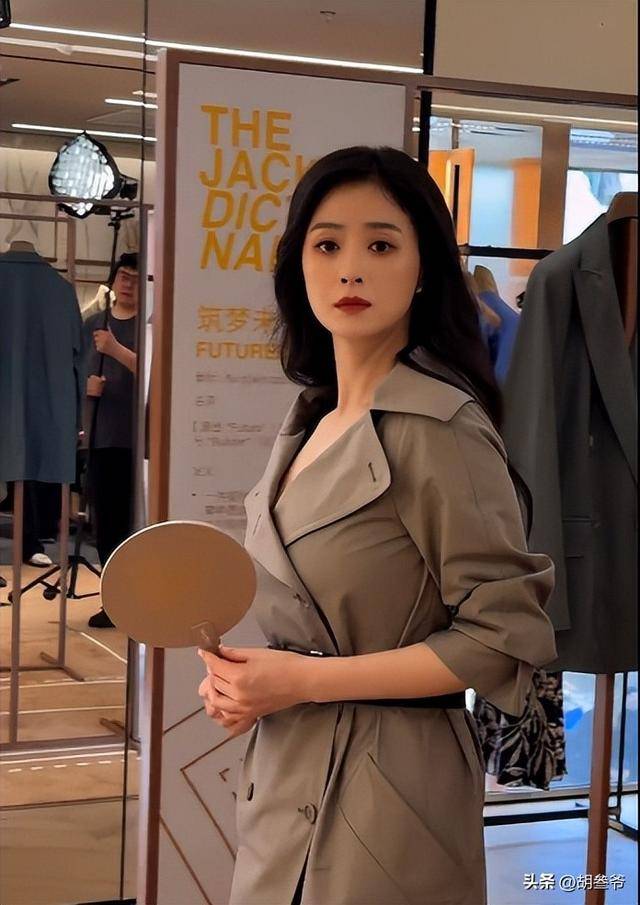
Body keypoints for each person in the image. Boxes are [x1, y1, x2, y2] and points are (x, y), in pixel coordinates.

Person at [196, 146, 558, 905]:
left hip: (389, 795)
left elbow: (503, 635)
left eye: (382, 245)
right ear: (298, 265)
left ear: (423, 268)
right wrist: (248, 684)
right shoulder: (310, 420)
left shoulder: (440, 426)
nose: (351, 270)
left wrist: (301, 680)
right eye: (327, 245)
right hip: (285, 780)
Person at [83, 252, 138, 628]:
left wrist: (115, 350)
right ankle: (114, 602)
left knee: (137, 524)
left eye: (135, 278)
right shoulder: (94, 323)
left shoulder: (151, 323)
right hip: (103, 437)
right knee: (106, 525)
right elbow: (76, 371)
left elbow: (155, 370)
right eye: (123, 276)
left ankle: (139, 600)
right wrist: (87, 391)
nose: (128, 284)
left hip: (141, 439)